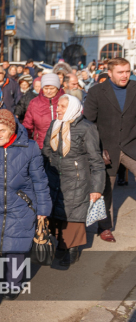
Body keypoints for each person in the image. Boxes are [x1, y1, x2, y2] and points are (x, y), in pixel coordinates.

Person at [0, 110, 51, 298]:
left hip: (21, 206)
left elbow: (40, 180)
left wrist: (43, 209)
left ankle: (13, 283)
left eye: (2, 130)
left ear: (11, 129)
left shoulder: (30, 147)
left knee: (16, 249)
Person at [42, 95, 105, 265]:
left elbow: (96, 161)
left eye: (62, 106)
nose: (58, 109)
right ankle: (62, 245)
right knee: (57, 215)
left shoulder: (87, 128)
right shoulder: (54, 125)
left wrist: (97, 188)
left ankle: (72, 249)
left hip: (77, 180)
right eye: (58, 105)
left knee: (73, 217)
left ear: (73, 108)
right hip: (54, 178)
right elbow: (46, 152)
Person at [84, 57, 136, 243]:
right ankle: (104, 227)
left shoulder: (135, 88)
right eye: (120, 72)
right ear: (110, 73)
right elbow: (88, 122)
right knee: (105, 188)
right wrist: (95, 148)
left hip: (131, 144)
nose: (125, 75)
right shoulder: (96, 91)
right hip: (106, 148)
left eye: (127, 72)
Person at [23, 73, 65, 149]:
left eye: (52, 88)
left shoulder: (66, 101)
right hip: (41, 145)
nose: (48, 91)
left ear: (58, 88)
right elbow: (27, 125)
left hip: (63, 145)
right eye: (46, 88)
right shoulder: (34, 103)